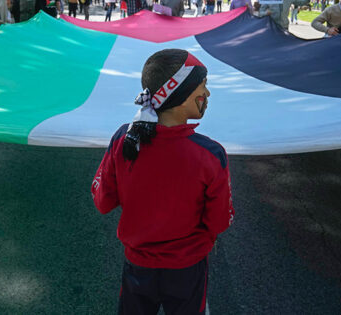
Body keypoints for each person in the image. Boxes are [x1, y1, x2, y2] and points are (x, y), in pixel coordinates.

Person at [91, 48, 234, 315]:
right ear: (180, 95)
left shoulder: (124, 139)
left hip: (137, 267)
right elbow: (218, 221)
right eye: (203, 86)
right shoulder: (210, 154)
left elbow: (102, 201)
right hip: (187, 270)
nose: (208, 94)